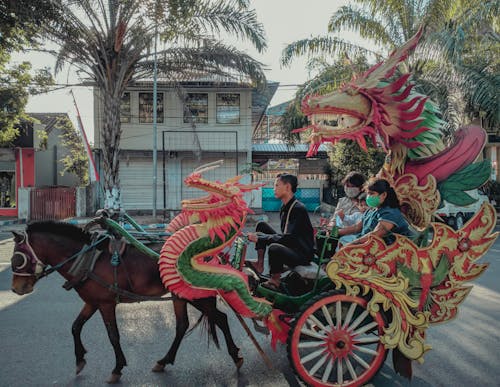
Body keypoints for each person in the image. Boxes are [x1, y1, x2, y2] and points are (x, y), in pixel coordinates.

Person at [247, 174, 315, 290]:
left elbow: (288, 238)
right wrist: (261, 237)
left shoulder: (297, 208)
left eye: (276, 185)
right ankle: (259, 265)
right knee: (261, 226)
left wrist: (261, 239)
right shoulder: (284, 207)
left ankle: (275, 280)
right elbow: (286, 237)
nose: (274, 189)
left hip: (302, 254)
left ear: (287, 187)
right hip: (293, 245)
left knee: (274, 248)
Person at [337, 178, 413, 246]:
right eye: (368, 194)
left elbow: (375, 234)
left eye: (372, 193)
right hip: (369, 245)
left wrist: (352, 244)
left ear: (383, 195)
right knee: (342, 240)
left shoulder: (390, 213)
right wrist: (337, 232)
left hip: (387, 251)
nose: (369, 197)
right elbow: (357, 227)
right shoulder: (371, 210)